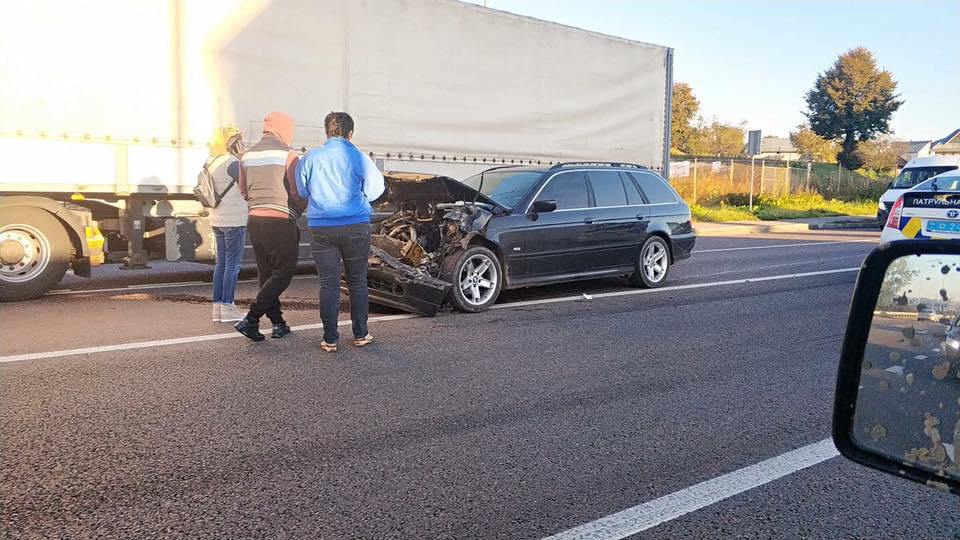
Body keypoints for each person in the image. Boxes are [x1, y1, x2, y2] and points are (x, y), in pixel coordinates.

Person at [296, 112, 384, 353]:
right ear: (351, 133)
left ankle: (330, 339)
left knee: (328, 283)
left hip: (321, 227)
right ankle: (360, 334)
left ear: (326, 132)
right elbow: (376, 189)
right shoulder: (360, 157)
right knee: (357, 281)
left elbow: (302, 191)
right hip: (355, 226)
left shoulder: (311, 158)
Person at [234, 112, 306, 342]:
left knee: (266, 274)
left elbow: (243, 191)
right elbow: (296, 191)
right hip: (280, 219)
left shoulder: (247, 155)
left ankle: (278, 324)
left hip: (255, 219)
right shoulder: (289, 154)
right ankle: (251, 319)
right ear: (283, 129)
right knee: (283, 273)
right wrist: (301, 206)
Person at [207, 125, 248, 323]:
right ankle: (228, 306)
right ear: (231, 143)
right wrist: (243, 158)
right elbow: (248, 183)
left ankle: (218, 308)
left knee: (221, 264)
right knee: (233, 264)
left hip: (216, 218)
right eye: (238, 140)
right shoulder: (232, 163)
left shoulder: (211, 161)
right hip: (234, 220)